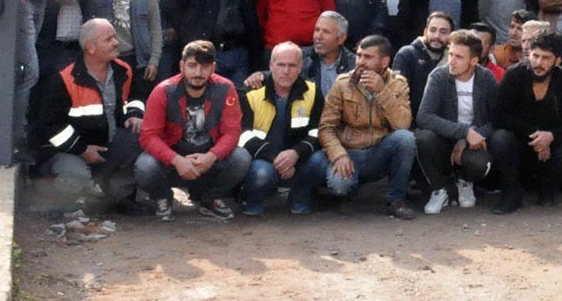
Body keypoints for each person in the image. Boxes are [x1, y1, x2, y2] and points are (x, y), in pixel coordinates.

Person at [28, 20, 145, 212]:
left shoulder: (123, 69)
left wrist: (134, 114)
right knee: (75, 176)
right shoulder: (64, 78)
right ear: (90, 47)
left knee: (141, 137)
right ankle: (62, 205)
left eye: (115, 37)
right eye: (109, 39)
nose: (116, 42)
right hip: (69, 152)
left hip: (108, 146)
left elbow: (137, 95)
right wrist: (82, 149)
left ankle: (120, 198)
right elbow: (50, 126)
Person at [305, 34, 418, 219]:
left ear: (384, 62)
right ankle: (348, 194)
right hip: (349, 152)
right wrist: (338, 155)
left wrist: (383, 92)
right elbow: (326, 127)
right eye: (359, 56)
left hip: (379, 152)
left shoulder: (398, 84)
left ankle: (396, 199)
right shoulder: (342, 84)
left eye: (368, 57)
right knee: (340, 185)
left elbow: (403, 124)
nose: (361, 62)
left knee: (405, 139)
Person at [135, 41, 251, 221]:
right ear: (182, 66)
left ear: (213, 67)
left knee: (241, 158)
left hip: (209, 159)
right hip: (172, 160)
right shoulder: (163, 91)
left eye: (204, 66)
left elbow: (232, 132)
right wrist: (176, 160)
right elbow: (148, 137)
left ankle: (210, 198)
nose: (198, 73)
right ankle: (163, 197)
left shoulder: (226, 88)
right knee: (145, 166)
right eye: (192, 65)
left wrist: (211, 156)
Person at [58, 0, 162, 101]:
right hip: (100, 59)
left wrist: (154, 60)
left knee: (134, 110)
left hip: (134, 58)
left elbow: (154, 25)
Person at [490, 30, 562, 213]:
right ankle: (511, 194)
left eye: (546, 58)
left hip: (552, 148)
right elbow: (500, 116)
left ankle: (548, 190)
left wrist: (551, 137)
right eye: (535, 56)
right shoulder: (514, 76)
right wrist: (536, 136)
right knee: (500, 138)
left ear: (557, 60)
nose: (539, 63)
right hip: (520, 143)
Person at [415, 29, 500, 213]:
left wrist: (473, 136)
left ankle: (465, 181)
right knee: (423, 138)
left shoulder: (486, 78)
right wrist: (464, 132)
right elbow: (424, 116)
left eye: (459, 57)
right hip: (445, 138)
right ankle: (439, 189)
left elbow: (498, 118)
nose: (451, 61)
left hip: (475, 141)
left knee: (478, 163)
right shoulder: (438, 76)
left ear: (474, 61)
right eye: (450, 54)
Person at [236, 40, 322, 216]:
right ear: (271, 65)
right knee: (261, 173)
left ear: (300, 67)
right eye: (281, 64)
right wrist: (275, 158)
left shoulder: (313, 91)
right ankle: (253, 201)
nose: (286, 71)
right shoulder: (251, 92)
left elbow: (319, 131)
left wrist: (295, 153)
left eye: (292, 65)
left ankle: (300, 198)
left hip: (299, 160)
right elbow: (243, 134)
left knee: (320, 161)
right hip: (264, 160)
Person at [394, 12, 455, 117]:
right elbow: (397, 94)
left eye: (443, 32)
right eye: (433, 30)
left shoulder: (454, 59)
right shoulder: (407, 54)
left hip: (444, 123)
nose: (437, 36)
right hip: (410, 123)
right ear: (425, 32)